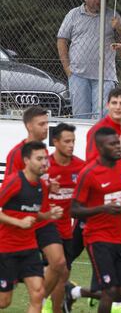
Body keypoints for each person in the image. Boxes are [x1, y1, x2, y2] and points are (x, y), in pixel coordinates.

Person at [3, 106, 68, 311]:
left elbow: (36, 183)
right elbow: (16, 188)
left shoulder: (42, 150)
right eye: (42, 124)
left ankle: (41, 300)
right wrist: (18, 221)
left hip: (41, 218)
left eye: (47, 123)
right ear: (28, 126)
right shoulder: (17, 154)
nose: (46, 128)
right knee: (4, 302)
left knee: (59, 264)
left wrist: (50, 186)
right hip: (19, 224)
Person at [71, 127, 121, 313]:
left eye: (117, 143)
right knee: (109, 290)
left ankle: (73, 292)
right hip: (97, 238)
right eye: (112, 144)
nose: (117, 147)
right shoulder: (89, 173)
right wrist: (102, 209)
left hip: (119, 237)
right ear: (100, 147)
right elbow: (73, 210)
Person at [57, 0, 121, 119]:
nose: (97, 1)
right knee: (80, 117)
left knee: (104, 117)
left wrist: (119, 27)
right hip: (78, 74)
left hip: (105, 75)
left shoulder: (112, 15)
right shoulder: (73, 14)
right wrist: (68, 69)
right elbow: (61, 40)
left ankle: (101, 140)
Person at [45, 123, 86, 313]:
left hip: (65, 230)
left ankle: (53, 308)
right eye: (67, 141)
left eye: (73, 141)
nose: (71, 145)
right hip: (42, 228)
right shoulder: (44, 165)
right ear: (55, 142)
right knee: (58, 266)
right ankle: (38, 301)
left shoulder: (81, 166)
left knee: (63, 275)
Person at [86, 87, 121, 162]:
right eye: (114, 103)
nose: (118, 107)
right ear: (107, 105)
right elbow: (91, 165)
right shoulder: (97, 130)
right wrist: (120, 151)